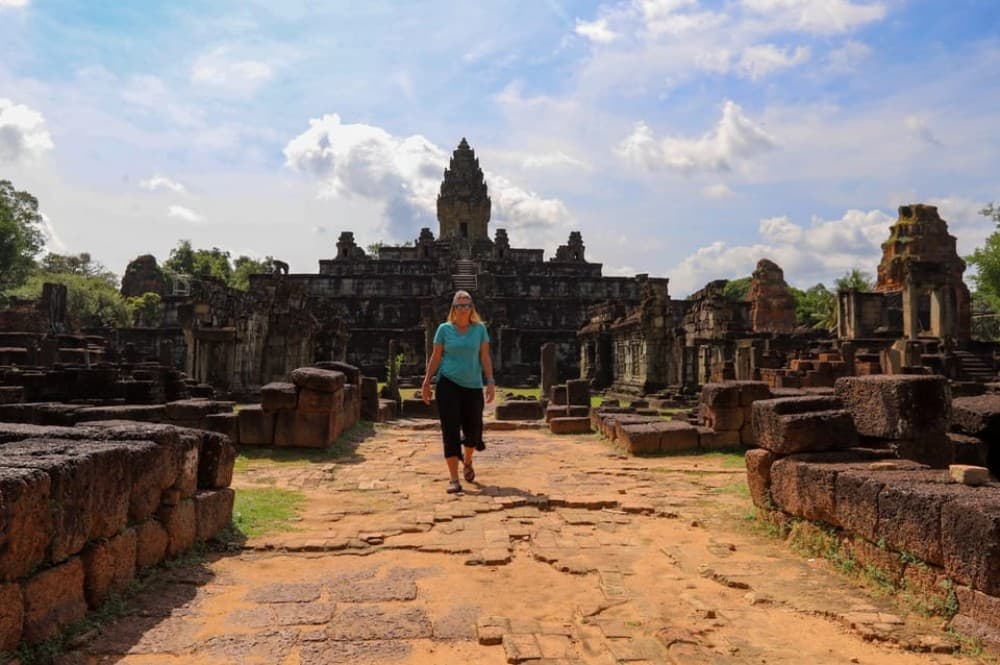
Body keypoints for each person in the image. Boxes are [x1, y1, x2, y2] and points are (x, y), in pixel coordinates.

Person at [421, 290, 495, 493]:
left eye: (467, 305)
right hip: (448, 384)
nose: (464, 309)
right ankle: (454, 479)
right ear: (454, 308)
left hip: (473, 385)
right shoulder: (444, 329)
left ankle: (468, 460)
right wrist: (427, 381)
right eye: (460, 305)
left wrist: (490, 381)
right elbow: (436, 356)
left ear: (472, 308)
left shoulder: (480, 329)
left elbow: (485, 356)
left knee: (473, 430)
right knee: (450, 430)